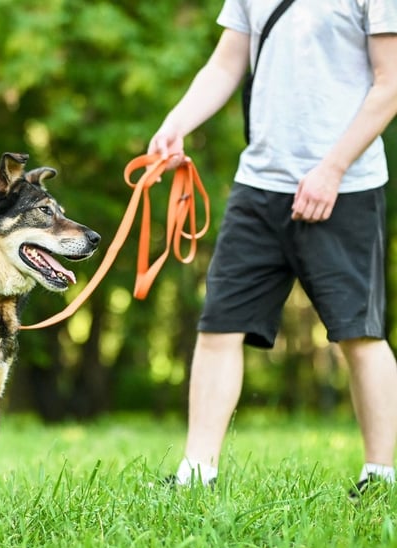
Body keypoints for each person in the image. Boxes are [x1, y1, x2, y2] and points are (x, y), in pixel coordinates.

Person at [147, 0, 397, 497]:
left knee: (359, 334)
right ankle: (197, 474)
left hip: (344, 187)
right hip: (258, 185)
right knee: (218, 325)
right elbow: (227, 61)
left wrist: (333, 169)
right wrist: (178, 122)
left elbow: (389, 85)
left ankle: (381, 477)